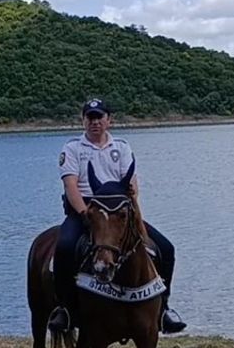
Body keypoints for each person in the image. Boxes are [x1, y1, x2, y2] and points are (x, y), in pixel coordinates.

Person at [48, 98, 187, 334]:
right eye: (90, 117)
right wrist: (85, 213)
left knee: (166, 248)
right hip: (86, 212)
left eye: (99, 117)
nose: (95, 122)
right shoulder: (72, 149)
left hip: (119, 216)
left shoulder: (121, 147)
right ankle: (66, 309)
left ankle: (163, 308)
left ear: (108, 120)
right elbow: (71, 186)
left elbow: (132, 185)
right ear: (83, 121)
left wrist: (130, 214)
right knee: (64, 248)